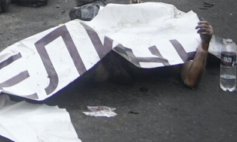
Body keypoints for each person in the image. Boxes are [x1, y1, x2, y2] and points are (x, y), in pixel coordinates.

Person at [83, 18, 215, 89]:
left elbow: (190, 80)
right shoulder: (170, 32)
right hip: (116, 50)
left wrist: (204, 46)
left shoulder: (181, 57)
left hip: (116, 63)